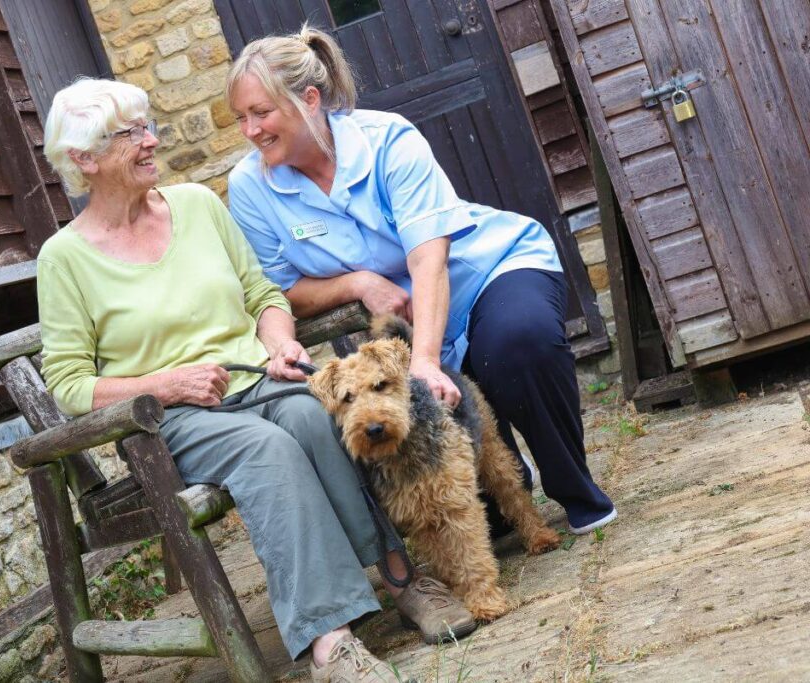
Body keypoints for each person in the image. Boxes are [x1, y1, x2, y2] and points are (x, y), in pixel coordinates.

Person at [37, 77, 473, 682]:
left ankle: (399, 578)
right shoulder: (64, 259)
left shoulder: (195, 204)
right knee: (269, 451)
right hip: (175, 420)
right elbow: (67, 384)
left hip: (256, 380)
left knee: (313, 421)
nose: (150, 141)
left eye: (147, 126)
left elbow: (263, 293)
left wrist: (279, 341)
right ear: (82, 159)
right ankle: (331, 642)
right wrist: (166, 384)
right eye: (129, 134)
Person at [225, 26, 617, 536]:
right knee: (490, 522)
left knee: (515, 343)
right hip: (400, 313)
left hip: (485, 270)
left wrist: (426, 363)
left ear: (310, 99)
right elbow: (282, 290)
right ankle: (505, 487)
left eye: (262, 113)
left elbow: (429, 260)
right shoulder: (251, 187)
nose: (250, 131)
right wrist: (359, 283)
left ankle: (573, 485)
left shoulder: (387, 139)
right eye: (241, 118)